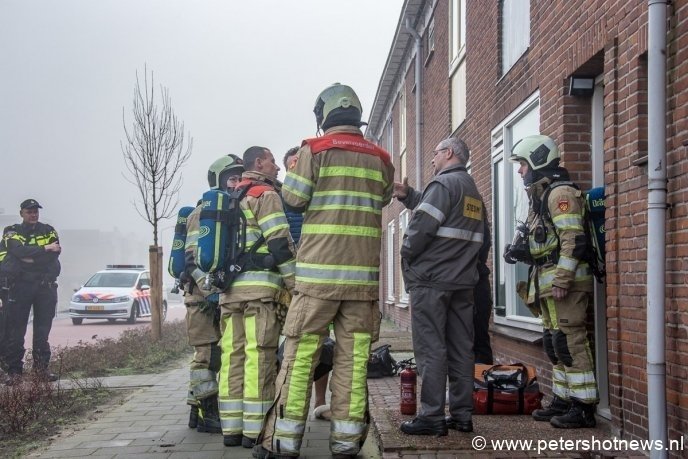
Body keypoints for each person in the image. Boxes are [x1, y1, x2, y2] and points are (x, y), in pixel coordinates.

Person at [255, 83, 394, 459]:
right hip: (362, 287)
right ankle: (346, 445)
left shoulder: (314, 150)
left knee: (301, 361)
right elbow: (383, 196)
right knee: (352, 364)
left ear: (324, 116)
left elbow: (294, 198)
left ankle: (282, 445)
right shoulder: (381, 156)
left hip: (316, 282)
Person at [392, 138, 484, 436]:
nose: (432, 160)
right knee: (461, 349)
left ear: (448, 153)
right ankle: (462, 415)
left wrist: (406, 253)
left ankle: (431, 417)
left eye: (434, 153)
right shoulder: (472, 192)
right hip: (462, 282)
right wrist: (409, 196)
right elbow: (484, 239)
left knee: (431, 349)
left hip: (432, 282)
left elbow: (420, 229)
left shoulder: (442, 185)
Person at [506, 134, 597, 428]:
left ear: (537, 160)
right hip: (546, 283)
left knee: (570, 341)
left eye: (522, 164)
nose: (520, 170)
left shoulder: (561, 195)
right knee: (554, 342)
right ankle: (562, 399)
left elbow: (573, 240)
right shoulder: (540, 196)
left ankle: (583, 408)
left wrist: (562, 278)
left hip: (564, 285)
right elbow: (544, 242)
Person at [218, 146, 296, 449]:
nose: (277, 168)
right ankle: (254, 432)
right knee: (259, 356)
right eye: (273, 161)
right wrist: (294, 284)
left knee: (231, 357)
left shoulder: (232, 197)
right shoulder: (265, 195)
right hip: (259, 294)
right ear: (259, 162)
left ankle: (231, 429)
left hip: (229, 294)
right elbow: (279, 244)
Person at [181, 154, 244, 433]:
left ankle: (196, 412)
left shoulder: (232, 209)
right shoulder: (202, 214)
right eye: (231, 177)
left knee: (217, 356)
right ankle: (208, 415)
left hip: (218, 297)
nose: (236, 183)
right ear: (217, 180)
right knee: (206, 355)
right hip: (201, 300)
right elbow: (192, 259)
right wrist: (210, 293)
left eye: (239, 177)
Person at [282, 145, 332, 422]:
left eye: (298, 163)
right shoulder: (278, 196)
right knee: (290, 347)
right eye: (291, 164)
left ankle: (320, 402)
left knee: (322, 343)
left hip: (316, 278)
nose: (295, 168)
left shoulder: (315, 191)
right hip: (288, 282)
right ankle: (283, 402)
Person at [0, 199, 61, 384]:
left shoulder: (48, 230)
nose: (33, 214)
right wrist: (43, 249)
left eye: (35, 211)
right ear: (21, 213)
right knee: (15, 331)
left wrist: (29, 259)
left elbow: (55, 253)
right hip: (20, 287)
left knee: (42, 331)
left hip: (45, 287)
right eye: (29, 211)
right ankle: (15, 372)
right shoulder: (11, 231)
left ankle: (41, 370)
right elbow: (17, 251)